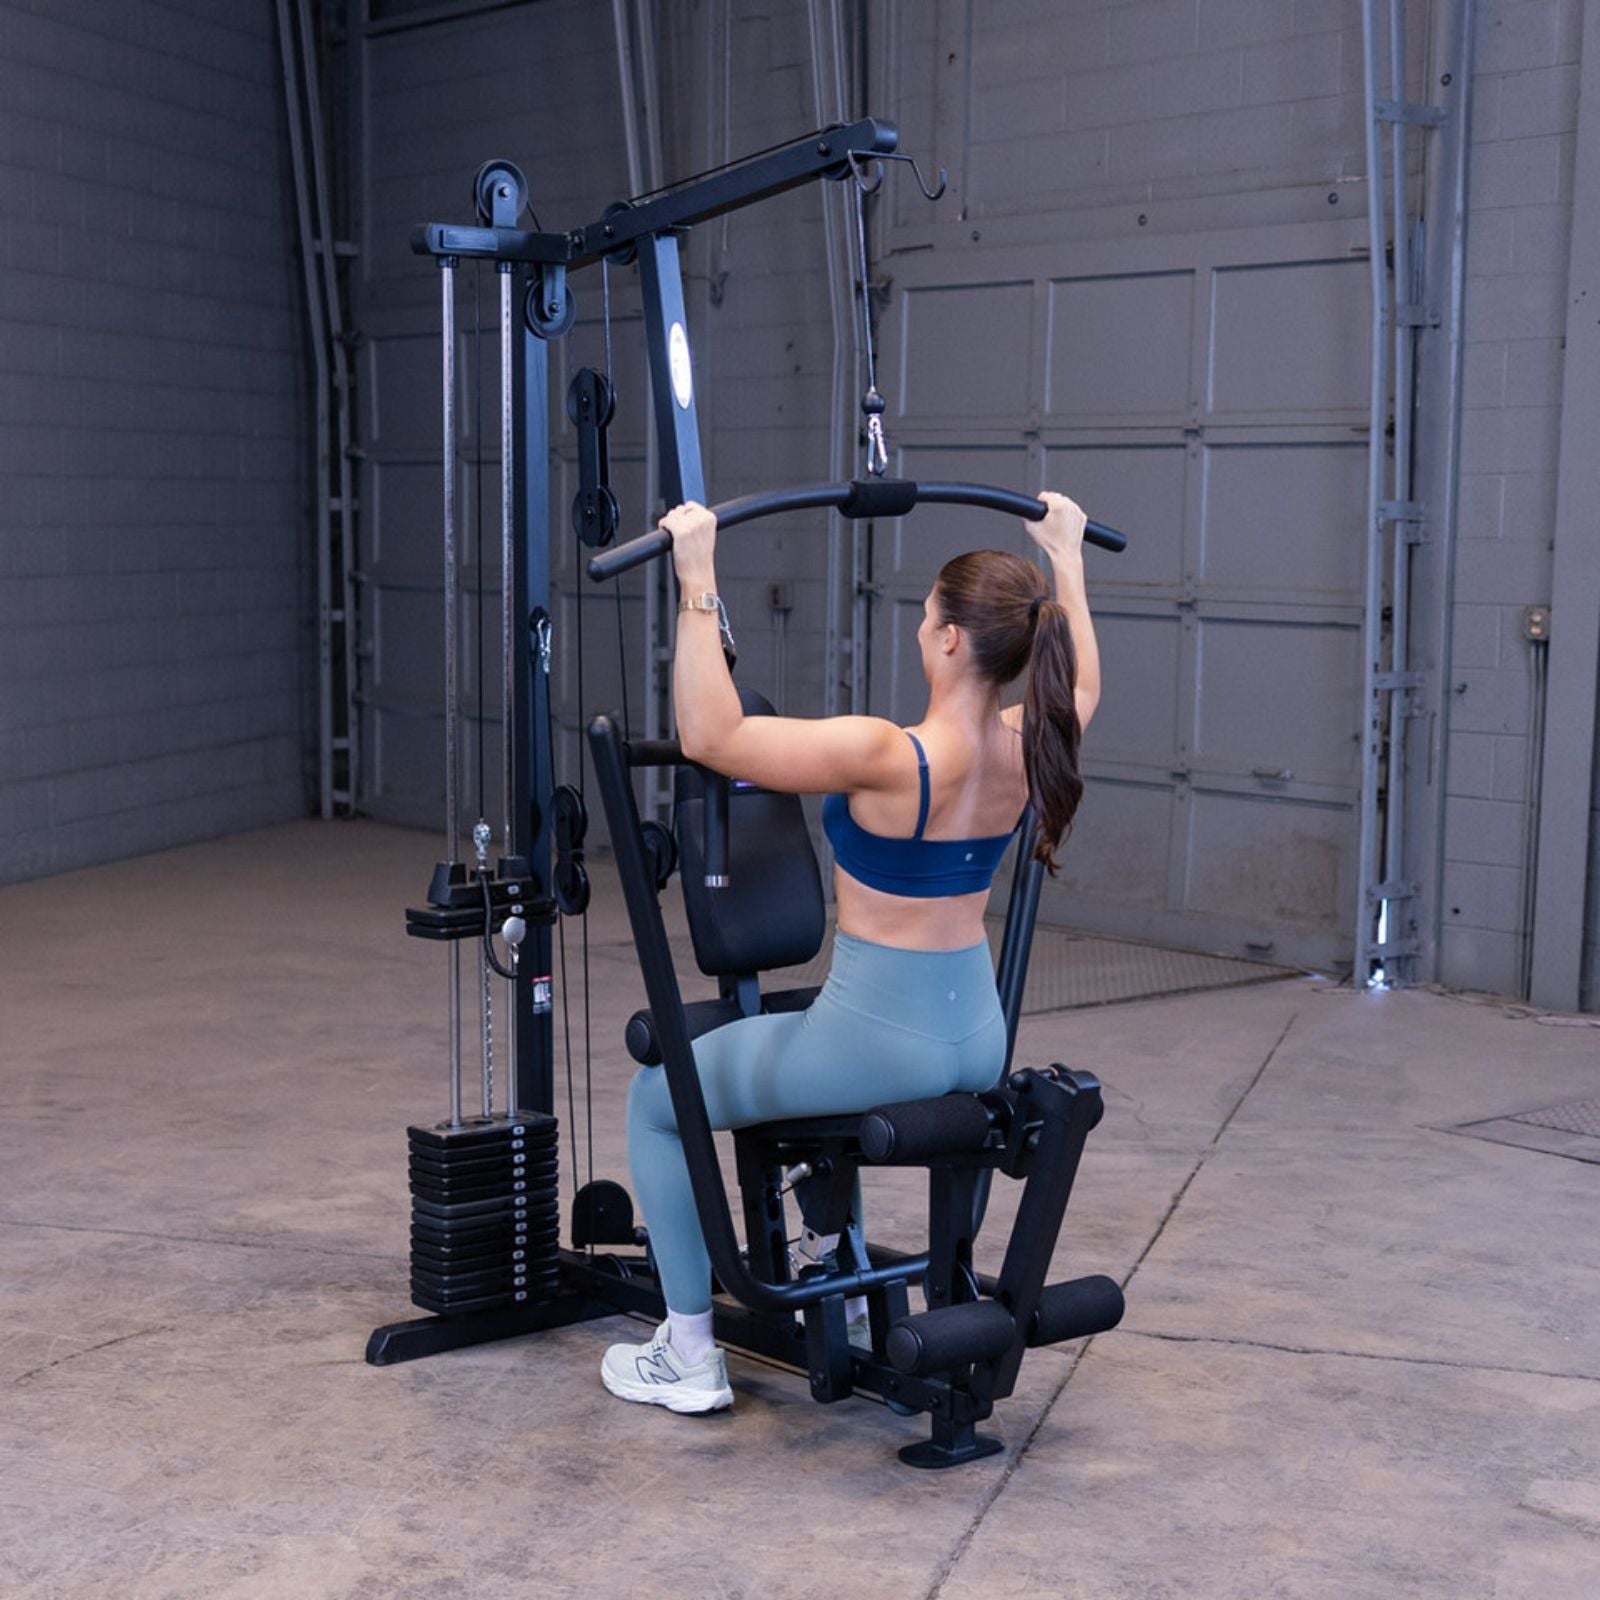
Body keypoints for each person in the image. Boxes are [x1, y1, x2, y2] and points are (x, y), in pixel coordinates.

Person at [600, 491, 1101, 1413]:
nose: (921, 629)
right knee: (785, 1060)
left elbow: (714, 737)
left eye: (927, 618)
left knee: (656, 1097)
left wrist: (697, 576)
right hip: (973, 1036)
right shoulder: (1031, 745)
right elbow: (1080, 688)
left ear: (953, 640)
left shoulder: (891, 756)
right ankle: (841, 1271)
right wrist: (1066, 555)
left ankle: (687, 1351)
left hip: (873, 1043)